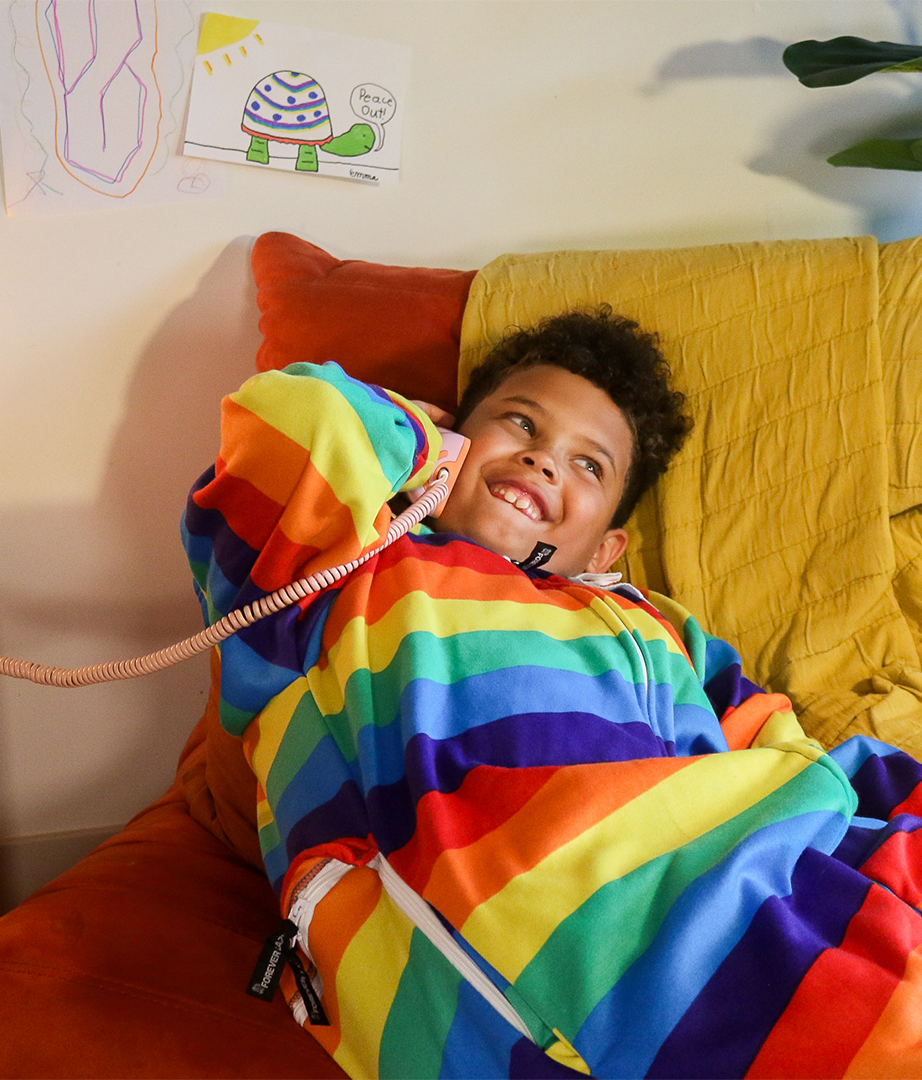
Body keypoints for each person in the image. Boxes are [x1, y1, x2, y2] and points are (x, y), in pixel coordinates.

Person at [183, 306, 921, 1080]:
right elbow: (291, 418)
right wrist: (423, 443)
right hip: (467, 936)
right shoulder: (344, 561)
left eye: (588, 466)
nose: (543, 462)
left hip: (699, 872)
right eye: (519, 424)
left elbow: (770, 740)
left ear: (606, 548)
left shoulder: (653, 623)